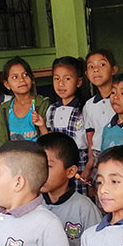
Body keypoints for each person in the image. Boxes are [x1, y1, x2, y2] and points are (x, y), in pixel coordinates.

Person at [38, 132, 101, 246]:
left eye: (48, 166)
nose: (41, 171)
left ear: (71, 171)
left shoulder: (85, 209)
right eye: (38, 165)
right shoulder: (33, 204)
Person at [44, 56, 90, 190]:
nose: (61, 84)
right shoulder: (51, 109)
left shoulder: (84, 109)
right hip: (57, 165)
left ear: (79, 82)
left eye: (67, 79)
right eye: (56, 78)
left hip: (80, 163)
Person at [0, 57, 50, 144]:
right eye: (15, 77)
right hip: (13, 156)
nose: (21, 80)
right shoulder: (4, 109)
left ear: (32, 79)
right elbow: (2, 142)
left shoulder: (42, 104)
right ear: (7, 84)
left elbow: (48, 140)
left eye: (25, 75)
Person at [83, 48, 119, 177]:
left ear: (114, 69)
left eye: (102, 64)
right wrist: (89, 164)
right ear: (87, 74)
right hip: (99, 154)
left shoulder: (122, 99)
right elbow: (90, 136)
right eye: (91, 67)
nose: (96, 69)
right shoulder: (89, 105)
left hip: (121, 153)